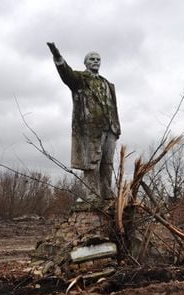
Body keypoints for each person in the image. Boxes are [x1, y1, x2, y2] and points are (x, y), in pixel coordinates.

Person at [47, 42, 121, 201]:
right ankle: (92, 195)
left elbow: (112, 106)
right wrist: (57, 57)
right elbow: (66, 74)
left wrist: (116, 128)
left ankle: (107, 193)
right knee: (92, 163)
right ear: (86, 62)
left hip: (110, 129)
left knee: (107, 164)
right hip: (91, 129)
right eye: (92, 59)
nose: (95, 61)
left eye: (98, 59)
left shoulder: (108, 84)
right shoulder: (80, 79)